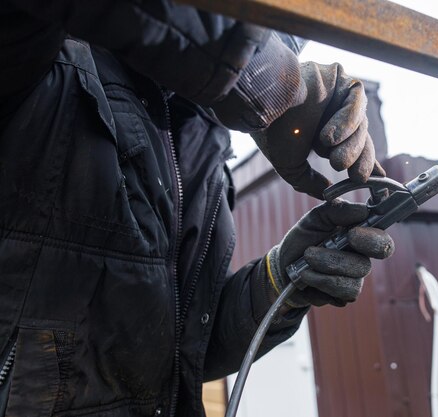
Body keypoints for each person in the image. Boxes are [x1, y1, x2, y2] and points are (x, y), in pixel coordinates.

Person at [0, 1, 395, 416]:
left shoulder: (196, 132)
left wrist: (278, 281)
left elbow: (172, 350)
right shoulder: (33, 58)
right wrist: (270, 81)